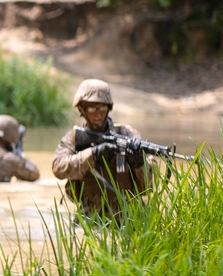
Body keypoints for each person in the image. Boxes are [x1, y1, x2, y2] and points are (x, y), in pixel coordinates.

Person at [51, 78, 149, 219]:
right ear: (81, 109)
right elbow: (58, 168)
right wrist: (93, 154)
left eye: (102, 109)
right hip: (91, 214)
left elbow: (149, 186)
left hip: (129, 213)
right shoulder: (74, 138)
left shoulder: (126, 134)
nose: (97, 115)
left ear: (109, 108)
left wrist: (139, 163)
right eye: (92, 109)